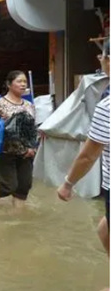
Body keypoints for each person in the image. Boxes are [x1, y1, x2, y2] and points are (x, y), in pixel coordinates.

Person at [57, 44, 110, 264]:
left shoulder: (107, 106)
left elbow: (88, 155)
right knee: (104, 230)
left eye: (102, 56)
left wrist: (68, 183)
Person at [0, 71, 37, 207]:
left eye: (25, 82)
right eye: (19, 81)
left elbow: (32, 129)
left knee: (24, 187)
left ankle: (18, 221)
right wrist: (3, 126)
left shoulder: (28, 105)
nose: (23, 84)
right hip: (5, 152)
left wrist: (32, 147)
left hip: (25, 153)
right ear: (9, 84)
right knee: (9, 186)